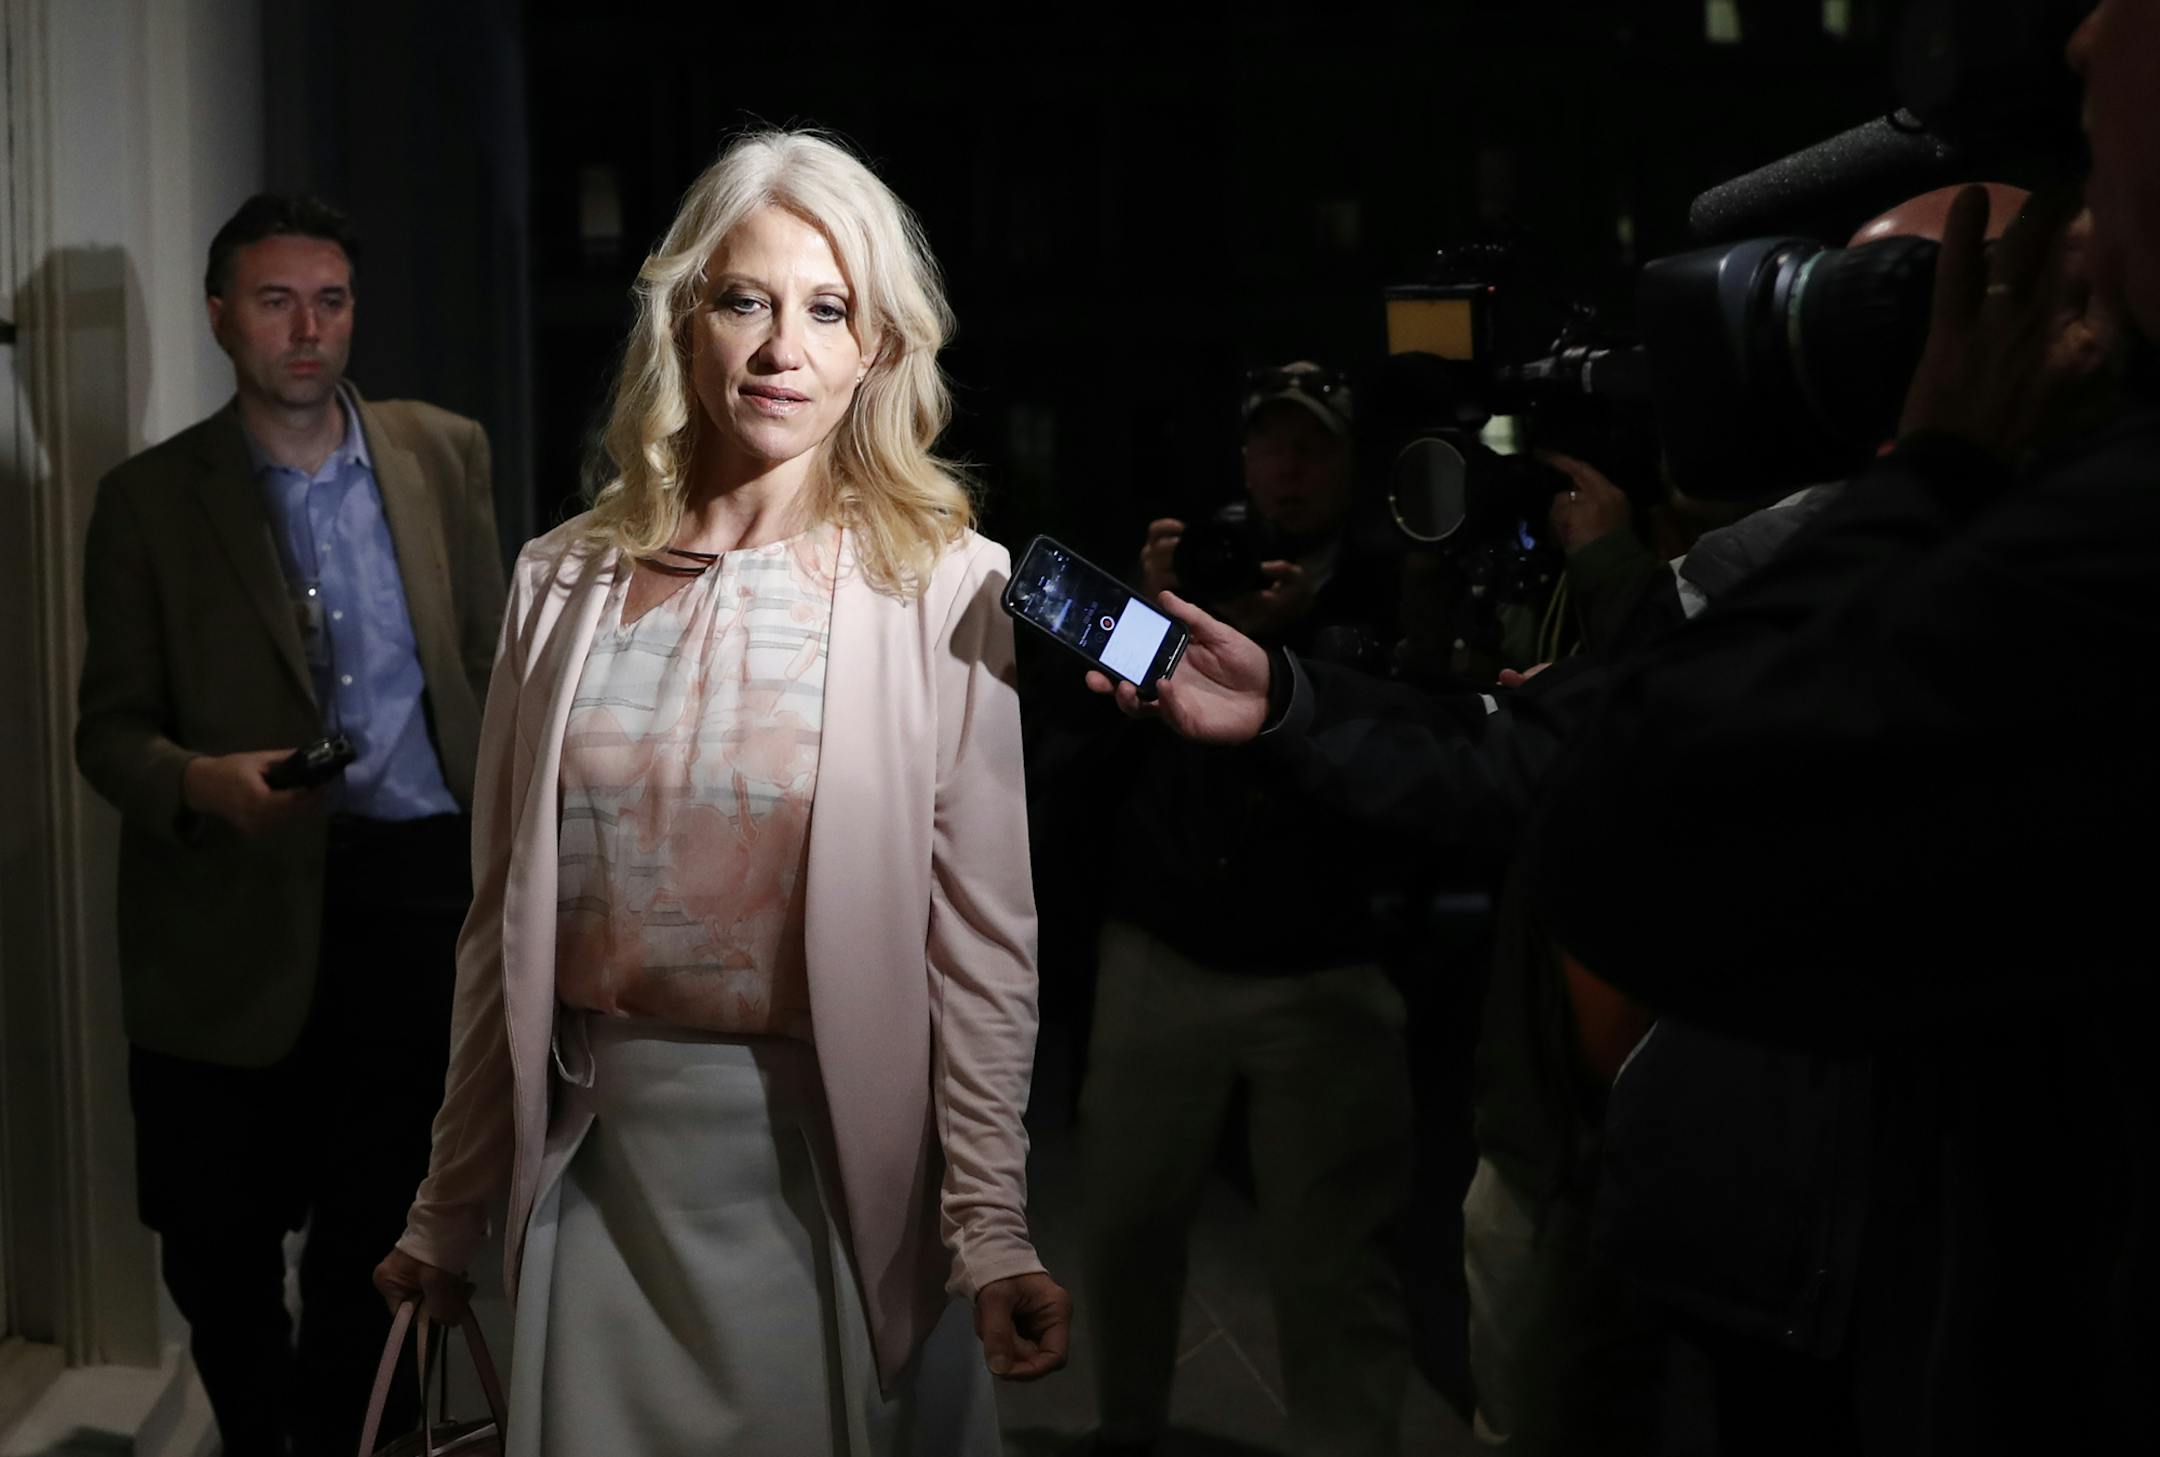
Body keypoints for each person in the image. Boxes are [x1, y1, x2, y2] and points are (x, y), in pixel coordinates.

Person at [373, 129, 1071, 1456]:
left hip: (832, 1192)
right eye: (747, 301)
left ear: (878, 347)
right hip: (605, 1182)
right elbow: (496, 930)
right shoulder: (558, 581)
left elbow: (983, 940)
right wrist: (446, 1207)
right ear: (684, 319)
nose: (781, 349)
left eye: (829, 310)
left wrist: (990, 1225)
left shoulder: (944, 583)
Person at [74, 194, 506, 1456]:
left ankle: (342, 1440)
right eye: (276, 301)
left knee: (388, 1233)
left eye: (331, 300)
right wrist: (201, 782)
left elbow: (488, 662)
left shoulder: (443, 451)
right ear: (220, 318)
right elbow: (107, 730)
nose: (308, 330)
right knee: (214, 1235)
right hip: (235, 895)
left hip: (419, 885)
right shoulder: (151, 501)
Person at [1080, 363, 1414, 1457]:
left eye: (1312, 447)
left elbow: (1414, 759)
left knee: (1332, 1254)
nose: (1290, 468)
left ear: (1348, 461)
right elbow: (1090, 738)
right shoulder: (1197, 573)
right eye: (1272, 445)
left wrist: (1300, 654)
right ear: (1242, 461)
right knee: (1126, 1226)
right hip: (1165, 942)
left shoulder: (1390, 576)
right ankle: (1126, 1430)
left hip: (1321, 964)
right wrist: (1159, 615)